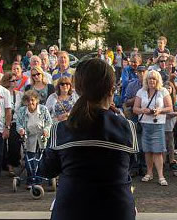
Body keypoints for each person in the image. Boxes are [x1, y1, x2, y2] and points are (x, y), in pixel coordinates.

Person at [40, 59, 138, 220]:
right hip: (117, 209)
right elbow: (129, 166)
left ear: (77, 88)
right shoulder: (128, 127)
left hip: (71, 209)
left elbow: (46, 170)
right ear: (111, 89)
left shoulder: (61, 129)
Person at [133, 70, 172, 186]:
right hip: (145, 124)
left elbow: (170, 107)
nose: (151, 80)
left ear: (158, 80)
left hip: (158, 124)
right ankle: (149, 173)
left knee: (158, 150)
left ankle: (161, 175)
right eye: (149, 78)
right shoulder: (141, 91)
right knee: (147, 150)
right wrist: (142, 110)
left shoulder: (163, 91)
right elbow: (135, 109)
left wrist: (159, 110)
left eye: (154, 78)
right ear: (146, 80)